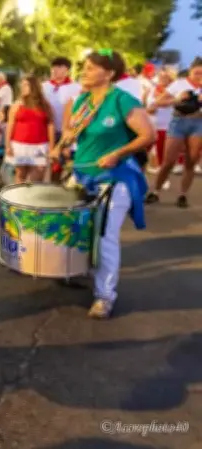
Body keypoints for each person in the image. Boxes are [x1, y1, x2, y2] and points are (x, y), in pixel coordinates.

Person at [68, 49, 154, 319]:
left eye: (92, 68)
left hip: (115, 178)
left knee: (105, 236)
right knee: (79, 230)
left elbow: (148, 135)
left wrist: (117, 153)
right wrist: (61, 146)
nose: (85, 71)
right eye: (86, 66)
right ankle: (85, 272)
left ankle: (105, 296)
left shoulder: (122, 100)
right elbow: (74, 133)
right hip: (83, 173)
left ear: (110, 73)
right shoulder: (83, 100)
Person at [145, 57, 202, 208]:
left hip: (198, 123)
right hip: (178, 122)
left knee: (191, 160)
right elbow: (158, 102)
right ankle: (156, 191)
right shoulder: (179, 84)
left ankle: (183, 195)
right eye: (196, 73)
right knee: (168, 160)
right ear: (190, 72)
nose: (199, 76)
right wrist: (176, 100)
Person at [5, 74, 55, 183]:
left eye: (26, 85)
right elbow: (10, 125)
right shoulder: (17, 105)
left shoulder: (45, 105)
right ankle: (18, 198)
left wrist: (51, 148)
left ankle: (31, 199)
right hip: (20, 145)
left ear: (33, 87)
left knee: (37, 176)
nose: (22, 88)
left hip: (40, 146)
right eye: (22, 85)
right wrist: (8, 145)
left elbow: (50, 126)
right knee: (20, 174)